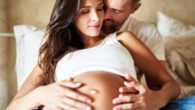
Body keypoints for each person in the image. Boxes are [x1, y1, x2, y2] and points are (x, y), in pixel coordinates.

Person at [6, 0, 180, 110]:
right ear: (70, 15)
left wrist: (154, 100)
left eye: (99, 8)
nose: (97, 18)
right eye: (84, 11)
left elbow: (172, 86)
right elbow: (13, 107)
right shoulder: (54, 53)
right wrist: (40, 95)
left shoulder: (123, 39)